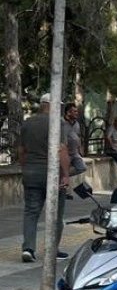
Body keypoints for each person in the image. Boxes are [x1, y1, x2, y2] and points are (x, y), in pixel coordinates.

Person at [16, 94, 71, 263]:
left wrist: (25, 168)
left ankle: (28, 249)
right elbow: (61, 149)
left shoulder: (28, 123)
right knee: (56, 214)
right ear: (52, 105)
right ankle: (52, 249)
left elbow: (21, 151)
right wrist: (66, 174)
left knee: (31, 212)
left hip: (31, 172)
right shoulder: (58, 123)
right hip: (51, 173)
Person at [62, 103, 87, 177]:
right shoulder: (61, 123)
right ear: (68, 112)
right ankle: (62, 177)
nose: (77, 113)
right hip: (65, 153)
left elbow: (77, 136)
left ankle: (63, 176)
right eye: (74, 111)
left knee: (82, 168)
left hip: (74, 153)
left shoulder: (76, 124)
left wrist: (80, 148)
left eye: (77, 111)